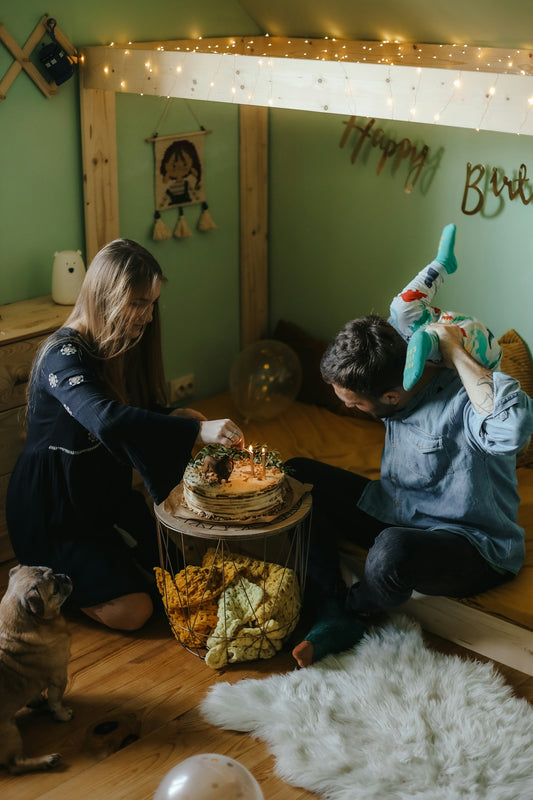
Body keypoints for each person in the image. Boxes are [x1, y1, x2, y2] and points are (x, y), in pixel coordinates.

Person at [6, 239, 244, 631]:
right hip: (52, 510)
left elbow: (132, 411)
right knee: (135, 611)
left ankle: (115, 562)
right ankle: (57, 591)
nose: (148, 317)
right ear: (105, 298)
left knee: (185, 568)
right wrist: (194, 430)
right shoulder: (62, 355)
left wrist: (174, 416)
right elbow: (107, 419)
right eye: (138, 304)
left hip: (102, 496)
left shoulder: (118, 345)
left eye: (152, 304)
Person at [290, 309, 533, 668]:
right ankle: (330, 607)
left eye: (355, 404)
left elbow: (514, 429)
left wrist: (456, 353)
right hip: (398, 510)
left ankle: (352, 610)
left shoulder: (466, 402)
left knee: (391, 551)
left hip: (471, 544)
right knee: (296, 475)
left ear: (390, 397)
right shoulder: (400, 360)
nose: (350, 408)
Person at [389, 223, 502, 391]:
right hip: (483, 356)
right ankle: (428, 342)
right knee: (440, 342)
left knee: (401, 309)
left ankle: (442, 264)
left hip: (445, 325)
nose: (349, 406)